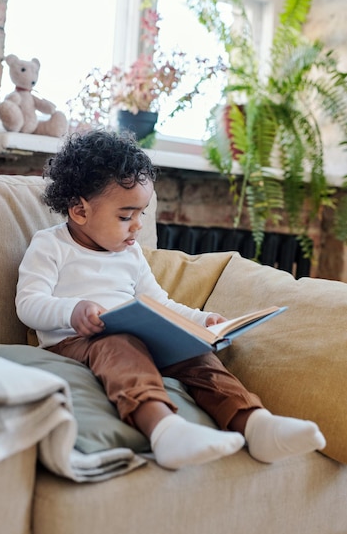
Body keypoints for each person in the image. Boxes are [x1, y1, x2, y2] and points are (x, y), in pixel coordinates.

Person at [16, 129, 326, 470]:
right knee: (118, 343)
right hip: (76, 342)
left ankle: (255, 423)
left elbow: (158, 303)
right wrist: (72, 310)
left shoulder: (130, 254)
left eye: (140, 215)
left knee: (196, 351)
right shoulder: (51, 245)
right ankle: (165, 431)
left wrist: (200, 321)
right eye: (124, 216)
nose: (135, 227)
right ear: (79, 210)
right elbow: (28, 303)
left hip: (136, 336)